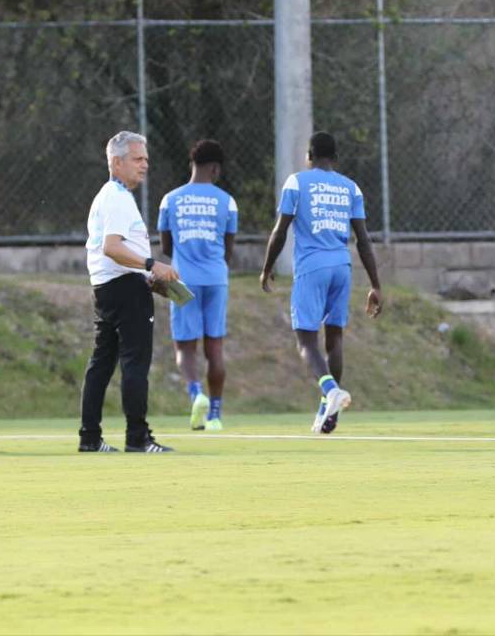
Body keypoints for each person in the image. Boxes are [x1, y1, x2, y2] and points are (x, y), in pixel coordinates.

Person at [260, 131, 383, 434]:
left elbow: (281, 230)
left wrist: (267, 267)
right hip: (342, 266)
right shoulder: (350, 188)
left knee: (305, 340)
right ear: (336, 158)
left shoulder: (297, 182)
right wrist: (376, 285)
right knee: (335, 339)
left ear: (309, 156)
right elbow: (363, 239)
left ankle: (330, 391)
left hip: (312, 267)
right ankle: (329, 414)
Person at [80, 131, 179, 454]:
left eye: (146, 158)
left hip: (108, 287)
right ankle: (138, 436)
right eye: (138, 159)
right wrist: (151, 265)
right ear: (116, 162)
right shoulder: (117, 198)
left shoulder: (110, 196)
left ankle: (90, 437)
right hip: (124, 288)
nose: (145, 165)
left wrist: (144, 274)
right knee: (135, 362)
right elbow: (112, 248)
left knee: (102, 362)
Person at [158, 139, 238, 432]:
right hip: (216, 278)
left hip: (182, 279)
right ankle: (215, 414)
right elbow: (229, 248)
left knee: (185, 347)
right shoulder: (227, 201)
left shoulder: (170, 199)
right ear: (216, 169)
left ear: (191, 165)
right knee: (214, 347)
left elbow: (166, 246)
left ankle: (196, 394)